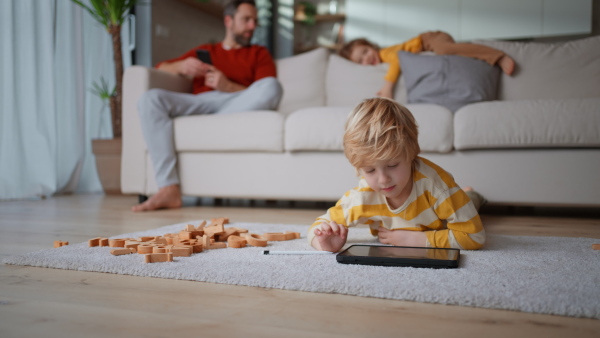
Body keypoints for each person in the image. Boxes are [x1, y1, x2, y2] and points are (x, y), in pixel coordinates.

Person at [132, 0, 283, 212]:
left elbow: (267, 92)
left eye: (255, 21)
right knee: (150, 99)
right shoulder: (206, 50)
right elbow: (161, 67)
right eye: (246, 20)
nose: (252, 26)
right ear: (228, 21)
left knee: (273, 86)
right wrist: (182, 66)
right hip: (200, 103)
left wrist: (227, 85)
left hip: (238, 102)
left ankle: (212, 122)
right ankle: (168, 188)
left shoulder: (259, 53)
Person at [308, 97, 486, 252]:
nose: (383, 179)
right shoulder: (363, 197)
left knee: (467, 202)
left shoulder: (437, 186)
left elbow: (474, 236)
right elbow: (316, 227)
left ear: (412, 153)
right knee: (461, 201)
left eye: (392, 165)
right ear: (358, 169)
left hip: (442, 214)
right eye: (370, 170)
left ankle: (470, 195)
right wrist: (324, 243)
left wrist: (415, 240)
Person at [338, 31, 516, 99]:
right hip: (429, 44)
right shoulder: (380, 61)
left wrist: (387, 86)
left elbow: (398, 59)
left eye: (365, 52)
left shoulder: (385, 53)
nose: (366, 59)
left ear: (371, 46)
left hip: (430, 39)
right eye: (360, 61)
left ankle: (497, 56)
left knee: (445, 50)